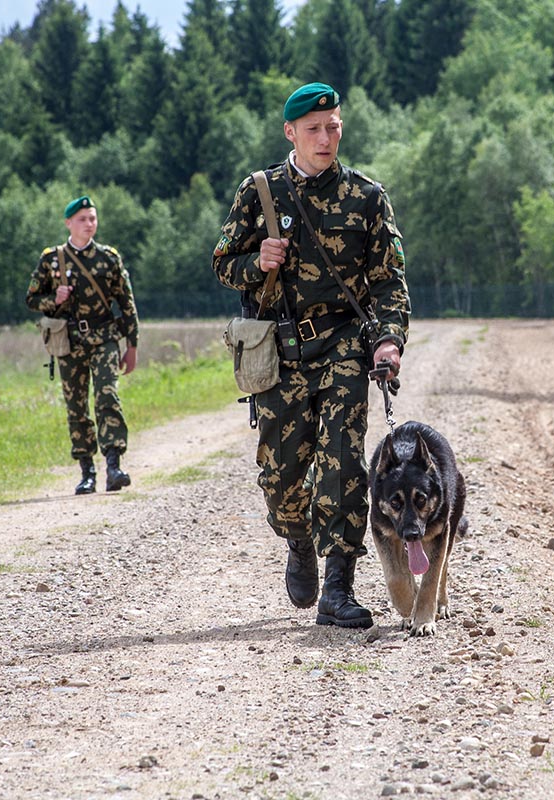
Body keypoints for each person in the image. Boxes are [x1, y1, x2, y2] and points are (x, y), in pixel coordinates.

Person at [213, 82, 410, 629]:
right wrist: (258, 261)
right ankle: (298, 540)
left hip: (345, 344)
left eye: (334, 126)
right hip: (282, 348)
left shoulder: (367, 197)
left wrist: (389, 339)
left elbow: (389, 282)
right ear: (291, 133)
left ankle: (338, 588)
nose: (327, 138)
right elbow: (223, 262)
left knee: (343, 465)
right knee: (282, 476)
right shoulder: (259, 193)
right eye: (315, 129)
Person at [27, 195, 140, 495]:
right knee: (76, 406)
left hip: (104, 338)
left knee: (107, 398)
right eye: (82, 219)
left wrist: (132, 345)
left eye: (92, 218)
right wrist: (55, 299)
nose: (89, 224)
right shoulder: (52, 260)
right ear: (68, 223)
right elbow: (32, 299)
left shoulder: (108, 258)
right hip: (69, 342)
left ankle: (114, 465)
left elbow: (126, 304)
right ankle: (87, 470)